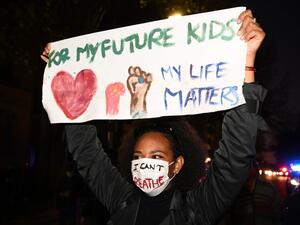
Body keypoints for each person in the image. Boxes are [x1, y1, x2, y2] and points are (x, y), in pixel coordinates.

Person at [41, 9, 267, 225]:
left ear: (177, 164)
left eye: (156, 156)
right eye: (138, 157)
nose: (144, 164)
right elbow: (87, 154)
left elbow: (234, 156)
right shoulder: (121, 201)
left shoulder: (197, 209)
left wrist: (246, 61)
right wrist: (66, 67)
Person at [216, 161, 282, 225]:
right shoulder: (234, 191)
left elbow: (278, 213)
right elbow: (227, 217)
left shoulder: (269, 189)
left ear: (256, 170)